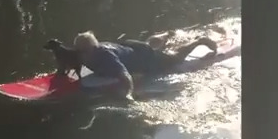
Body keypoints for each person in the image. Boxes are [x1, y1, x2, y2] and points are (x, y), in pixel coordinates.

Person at [72, 31, 219, 100]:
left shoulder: (106, 58)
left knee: (175, 59)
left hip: (143, 57)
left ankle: (200, 41)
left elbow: (126, 77)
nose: (82, 56)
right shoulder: (81, 53)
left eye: (85, 52)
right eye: (79, 52)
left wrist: (128, 95)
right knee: (146, 46)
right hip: (130, 47)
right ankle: (165, 35)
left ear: (93, 49)